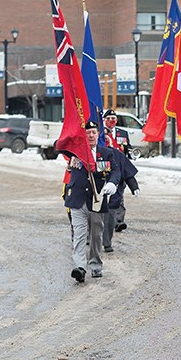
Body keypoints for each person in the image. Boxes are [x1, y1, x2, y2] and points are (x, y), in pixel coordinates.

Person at [63, 121, 121, 282]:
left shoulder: (106, 152)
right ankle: (80, 267)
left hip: (96, 199)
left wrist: (112, 183)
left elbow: (116, 170)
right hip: (77, 199)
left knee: (96, 235)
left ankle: (95, 265)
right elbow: (59, 144)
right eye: (87, 133)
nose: (91, 135)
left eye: (93, 132)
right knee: (80, 235)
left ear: (98, 134)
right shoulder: (74, 151)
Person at [102, 148, 139, 253]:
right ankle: (89, 238)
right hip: (95, 196)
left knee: (110, 220)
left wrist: (134, 187)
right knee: (93, 220)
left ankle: (107, 243)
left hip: (113, 197)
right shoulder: (91, 151)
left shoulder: (117, 154)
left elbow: (127, 172)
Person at [103, 110, 134, 233]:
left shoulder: (123, 133)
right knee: (105, 193)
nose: (111, 120)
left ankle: (118, 221)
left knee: (119, 194)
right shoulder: (101, 133)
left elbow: (127, 148)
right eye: (109, 118)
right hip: (105, 166)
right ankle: (105, 219)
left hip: (120, 167)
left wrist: (131, 152)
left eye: (113, 118)